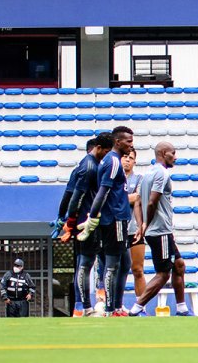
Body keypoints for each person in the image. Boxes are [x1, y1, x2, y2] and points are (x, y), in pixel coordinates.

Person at [77, 126, 135, 316]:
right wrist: (92, 217)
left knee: (125, 263)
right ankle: (110, 309)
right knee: (112, 265)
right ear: (117, 142)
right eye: (128, 141)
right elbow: (103, 191)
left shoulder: (110, 160)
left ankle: (117, 306)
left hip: (118, 218)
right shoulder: (113, 161)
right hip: (115, 218)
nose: (131, 145)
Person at [130, 141, 189, 316]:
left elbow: (138, 201)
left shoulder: (147, 173)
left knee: (179, 265)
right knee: (163, 273)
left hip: (161, 230)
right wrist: (146, 223)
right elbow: (151, 202)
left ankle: (182, 308)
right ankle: (136, 308)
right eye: (173, 153)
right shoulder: (161, 173)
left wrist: (141, 224)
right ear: (163, 153)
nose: (175, 157)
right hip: (160, 230)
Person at [62, 133, 112, 316]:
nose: (107, 156)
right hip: (86, 222)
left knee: (95, 261)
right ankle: (86, 307)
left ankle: (93, 305)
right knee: (86, 263)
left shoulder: (88, 165)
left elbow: (70, 193)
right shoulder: (89, 167)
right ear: (98, 148)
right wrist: (70, 221)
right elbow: (75, 196)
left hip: (91, 220)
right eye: (106, 152)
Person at [123, 147, 147, 299]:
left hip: (134, 229)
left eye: (130, 158)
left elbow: (139, 197)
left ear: (134, 162)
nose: (127, 160)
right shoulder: (113, 178)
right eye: (125, 156)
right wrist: (129, 198)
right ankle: (116, 305)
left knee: (138, 269)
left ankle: (141, 305)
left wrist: (118, 198)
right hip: (116, 230)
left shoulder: (139, 178)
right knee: (117, 269)